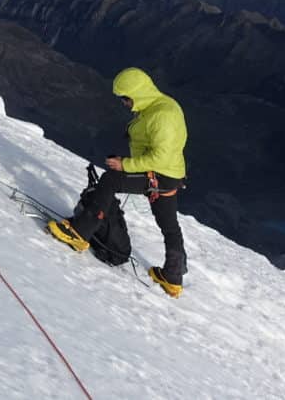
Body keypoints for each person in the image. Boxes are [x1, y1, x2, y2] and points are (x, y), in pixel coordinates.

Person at [47, 67, 188, 298]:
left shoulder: (163, 116)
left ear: (139, 93)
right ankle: (173, 277)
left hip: (159, 174)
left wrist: (125, 165)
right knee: (169, 225)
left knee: (111, 179)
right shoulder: (156, 107)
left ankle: (80, 232)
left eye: (126, 98)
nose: (124, 103)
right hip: (169, 176)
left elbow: (160, 157)